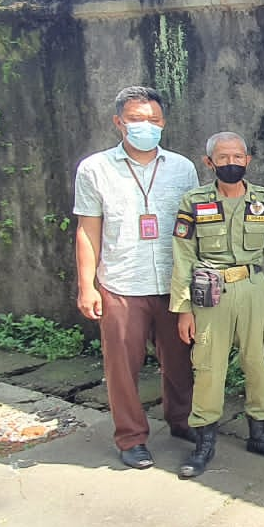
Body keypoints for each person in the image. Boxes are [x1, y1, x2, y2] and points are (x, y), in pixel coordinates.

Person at [72, 86, 200, 470]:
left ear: (163, 123)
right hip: (122, 284)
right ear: (119, 122)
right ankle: (131, 437)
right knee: (122, 367)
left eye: (154, 120)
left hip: (173, 286)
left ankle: (182, 420)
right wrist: (87, 285)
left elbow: (194, 227)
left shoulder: (182, 168)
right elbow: (87, 230)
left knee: (180, 362)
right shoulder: (95, 169)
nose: (146, 126)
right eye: (137, 119)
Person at [169, 132, 264, 479]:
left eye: (238, 157)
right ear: (208, 162)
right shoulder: (194, 201)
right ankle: (204, 441)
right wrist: (182, 309)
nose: (231, 163)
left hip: (254, 289)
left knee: (257, 361)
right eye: (223, 158)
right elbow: (183, 256)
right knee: (208, 367)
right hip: (210, 293)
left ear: (248, 160)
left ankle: (260, 433)